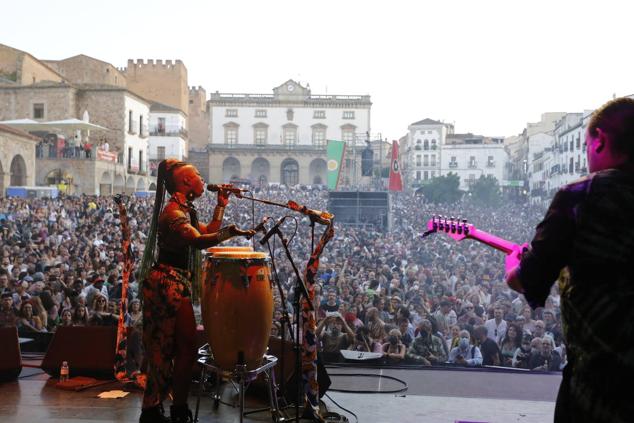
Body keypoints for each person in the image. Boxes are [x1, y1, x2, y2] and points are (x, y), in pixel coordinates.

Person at [505, 97, 634, 422]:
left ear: (600, 140)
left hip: (598, 390)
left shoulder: (580, 197)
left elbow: (527, 279)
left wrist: (512, 264)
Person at [138, 159, 254, 423]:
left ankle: (170, 409)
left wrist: (221, 205)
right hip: (167, 284)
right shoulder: (173, 214)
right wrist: (229, 233)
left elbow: (206, 231)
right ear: (187, 182)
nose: (203, 179)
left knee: (180, 347)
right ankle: (161, 410)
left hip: (176, 282)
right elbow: (199, 241)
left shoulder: (184, 210)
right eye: (198, 175)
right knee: (173, 347)